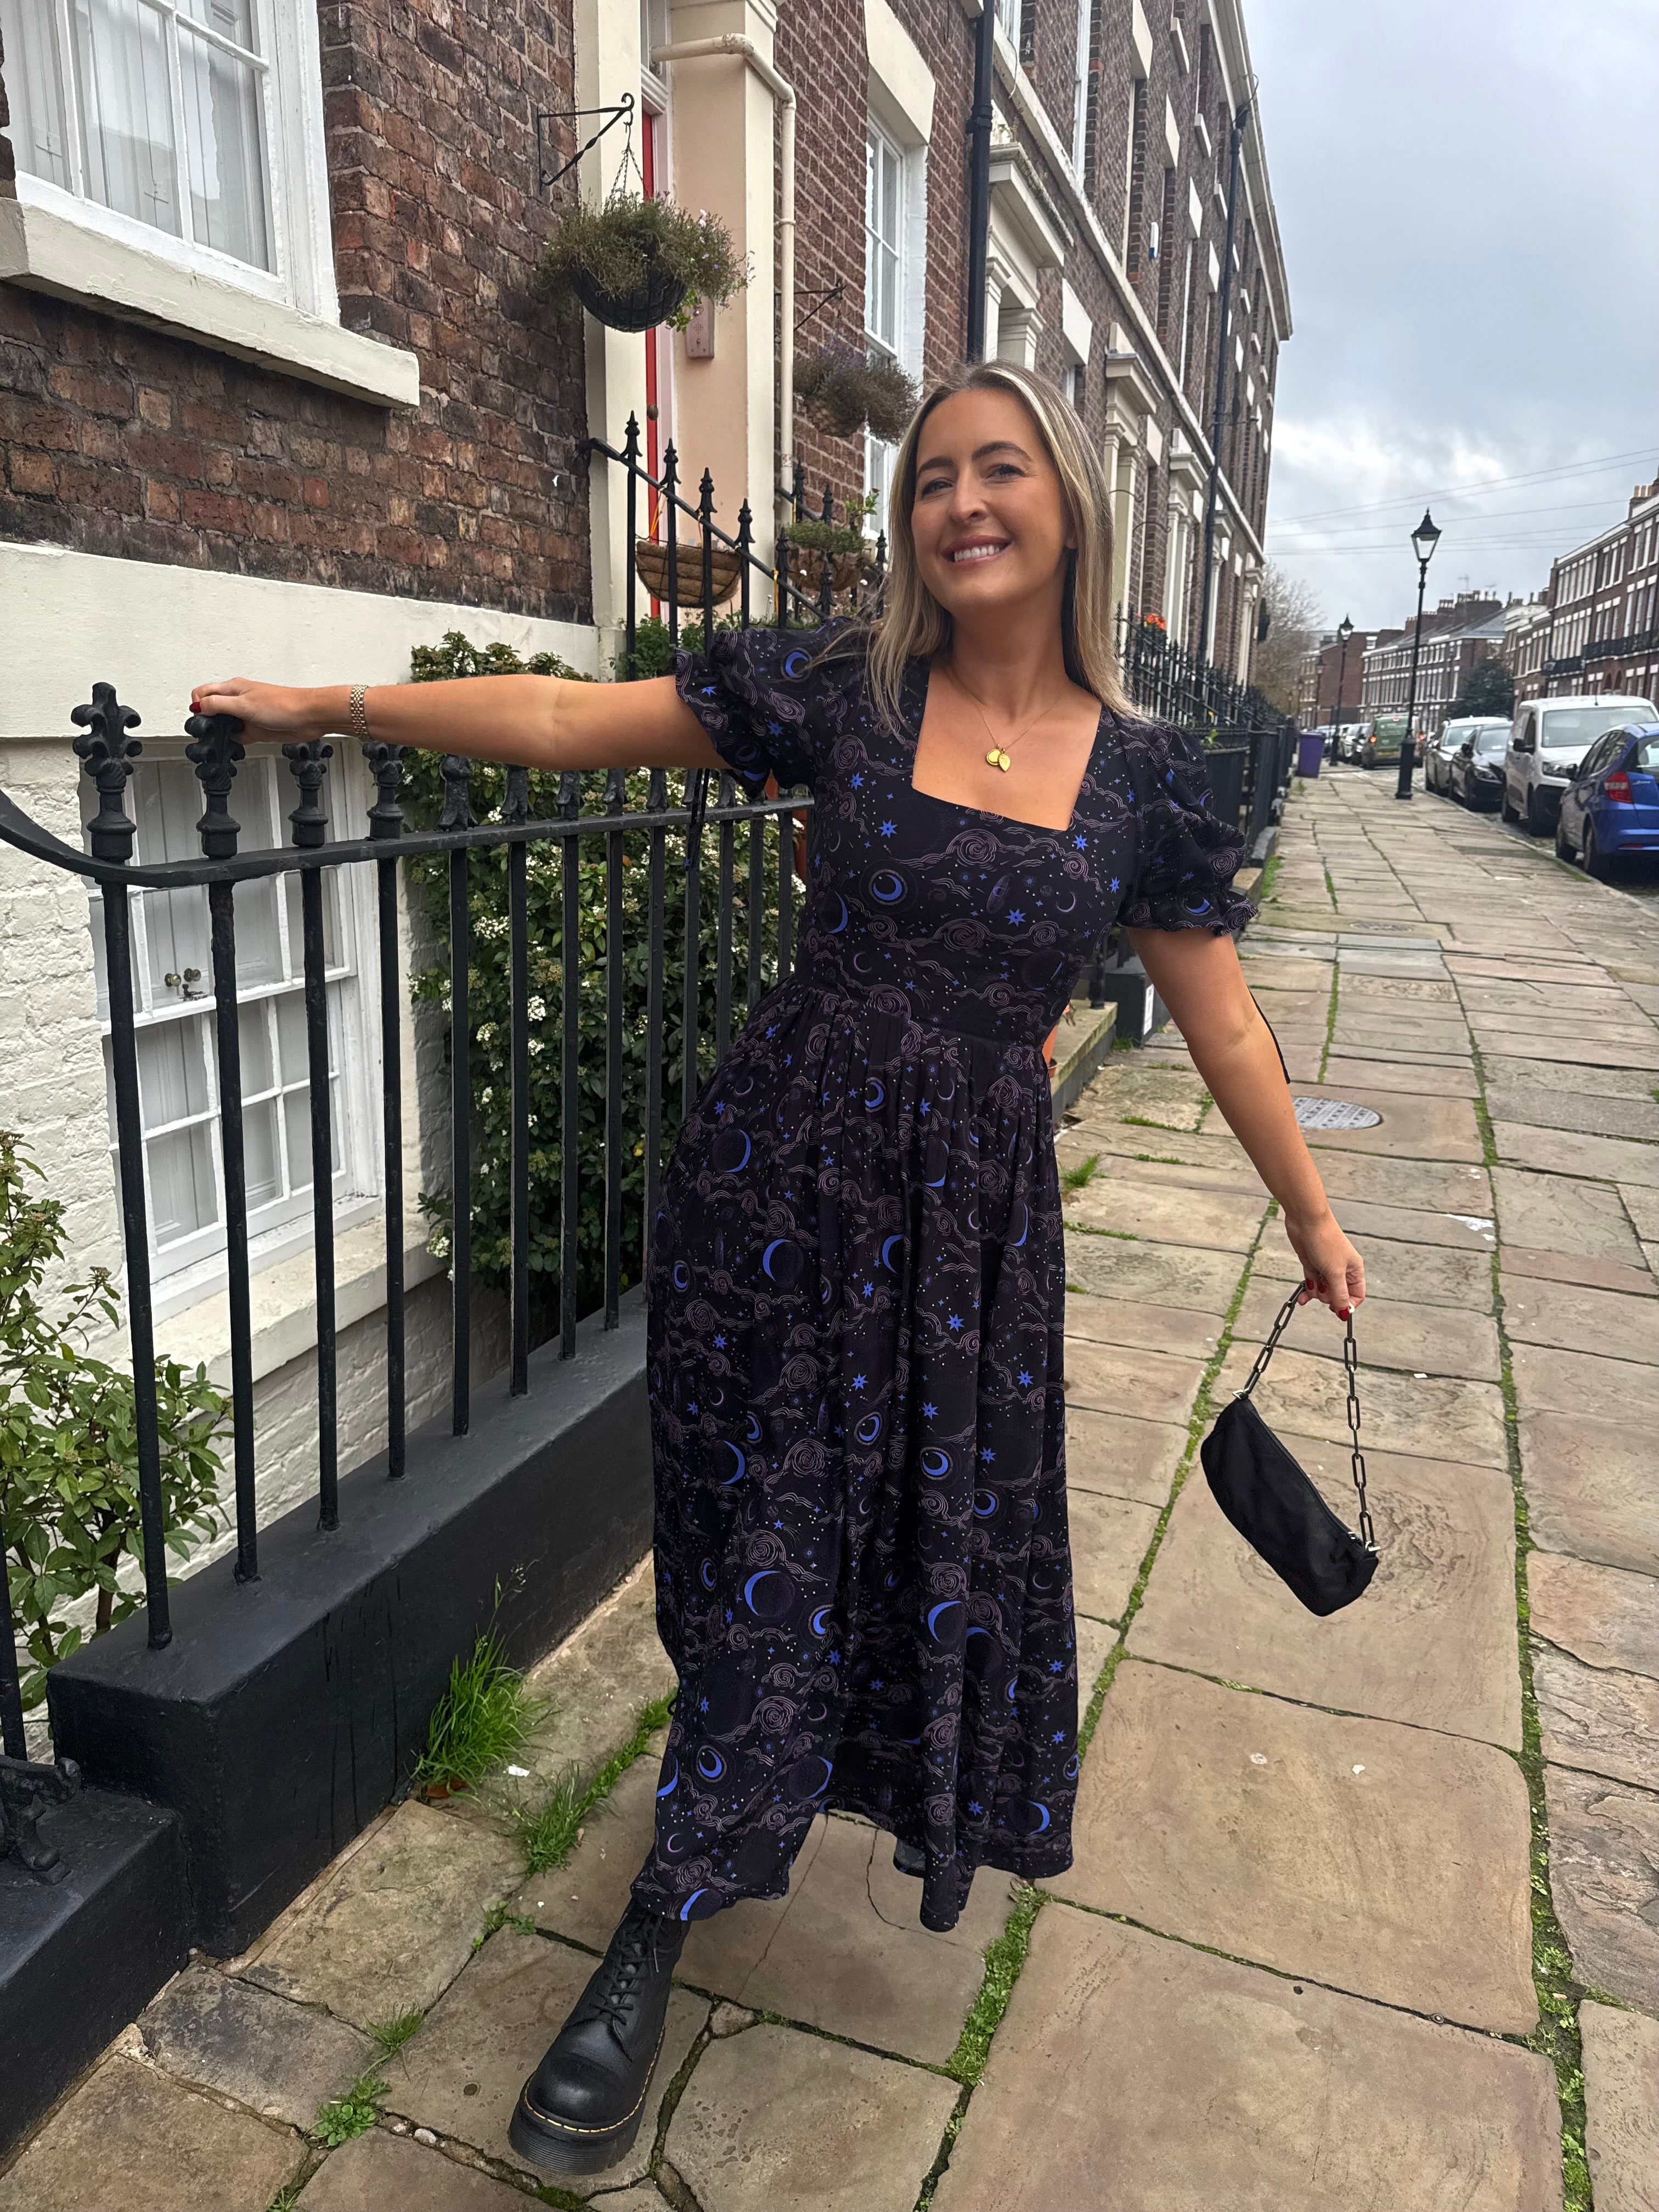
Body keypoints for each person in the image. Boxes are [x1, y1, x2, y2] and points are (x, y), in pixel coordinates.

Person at [191, 360, 1365, 2179]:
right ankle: (670, 1901)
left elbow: (1219, 1023)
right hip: (777, 1187)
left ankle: (742, 1828)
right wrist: (331, 701)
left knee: (898, 1538)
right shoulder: (846, 689)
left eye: (999, 470)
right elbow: (572, 721)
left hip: (970, 1242)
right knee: (768, 1532)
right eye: (932, 479)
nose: (961, 504)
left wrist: (1311, 1213)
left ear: (1070, 508)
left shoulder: (1143, 779)